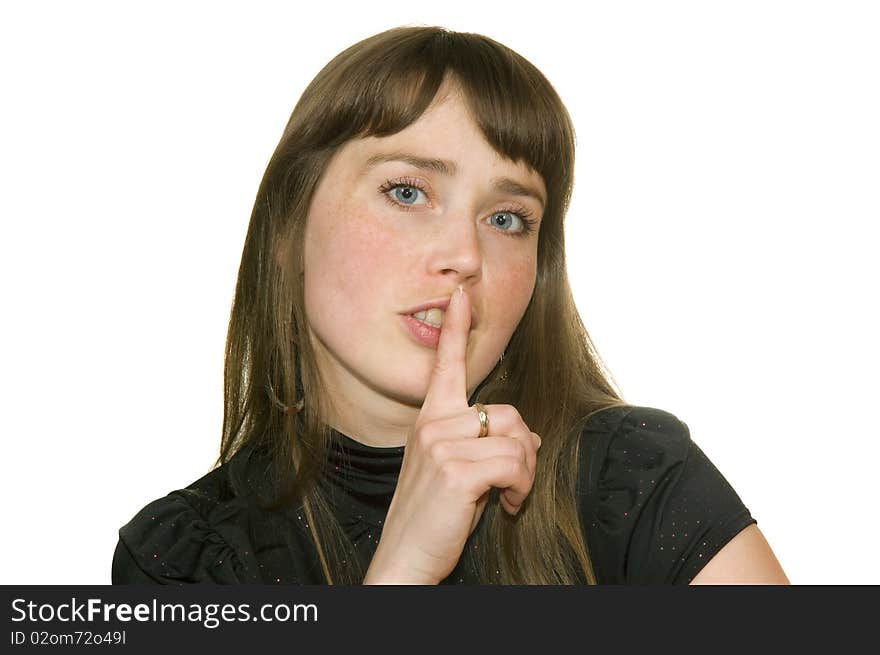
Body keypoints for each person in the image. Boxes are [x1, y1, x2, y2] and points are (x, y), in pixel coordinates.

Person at [111, 25, 789, 585]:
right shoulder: (184, 560)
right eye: (407, 192)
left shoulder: (626, 480)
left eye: (506, 218)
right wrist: (402, 572)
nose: (464, 254)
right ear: (288, 226)